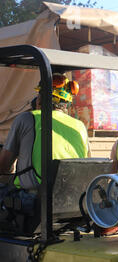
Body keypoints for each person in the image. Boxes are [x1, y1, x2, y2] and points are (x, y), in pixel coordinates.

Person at [0, 73, 90, 234]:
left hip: (33, 202)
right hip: (73, 204)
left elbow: (3, 165)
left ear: (40, 99)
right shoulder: (79, 126)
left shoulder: (26, 119)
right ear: (67, 103)